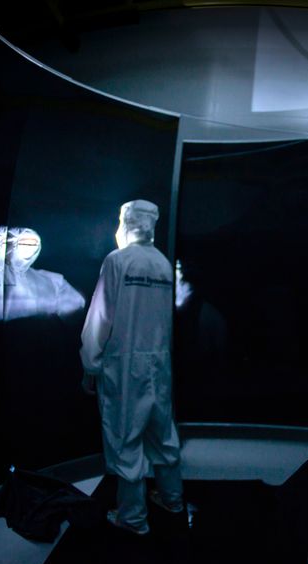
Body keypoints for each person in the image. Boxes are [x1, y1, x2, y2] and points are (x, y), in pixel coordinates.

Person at [80, 199, 184, 536]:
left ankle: (133, 518)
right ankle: (172, 498)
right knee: (162, 433)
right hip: (160, 362)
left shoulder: (117, 261)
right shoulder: (163, 264)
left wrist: (90, 364)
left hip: (124, 365)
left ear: (125, 221)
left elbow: (100, 317)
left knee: (125, 439)